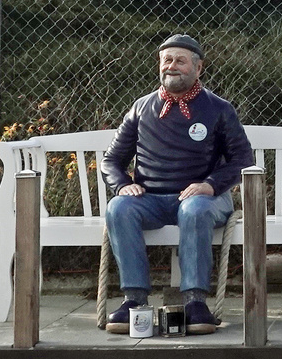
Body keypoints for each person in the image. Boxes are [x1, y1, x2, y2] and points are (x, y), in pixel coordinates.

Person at [100, 33, 254, 334]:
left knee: (194, 209)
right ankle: (134, 300)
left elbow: (242, 159)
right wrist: (122, 185)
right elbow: (111, 160)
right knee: (119, 208)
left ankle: (196, 303)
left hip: (206, 199)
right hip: (152, 200)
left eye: (180, 61)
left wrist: (210, 184)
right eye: (166, 60)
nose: (172, 66)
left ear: (198, 68)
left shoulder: (219, 109)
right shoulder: (141, 108)